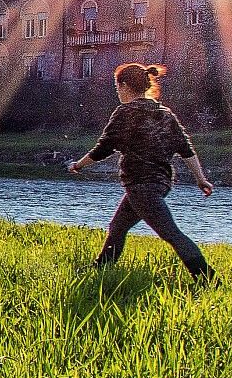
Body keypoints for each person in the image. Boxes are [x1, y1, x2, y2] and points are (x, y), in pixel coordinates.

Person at [66, 62, 216, 280]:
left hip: (141, 186)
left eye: (117, 87)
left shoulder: (125, 112)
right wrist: (201, 179)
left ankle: (208, 279)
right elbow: (186, 149)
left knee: (171, 234)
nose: (117, 92)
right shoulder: (165, 114)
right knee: (117, 227)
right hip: (159, 184)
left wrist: (77, 165)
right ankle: (100, 270)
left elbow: (103, 149)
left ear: (125, 86)